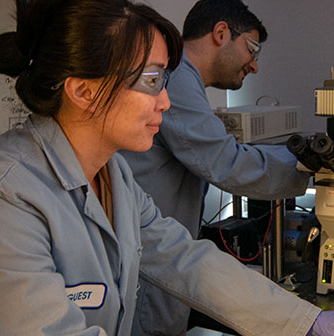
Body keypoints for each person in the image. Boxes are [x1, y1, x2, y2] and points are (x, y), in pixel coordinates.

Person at [0, 0, 334, 335]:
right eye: (153, 80)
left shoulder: (112, 176)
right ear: (84, 91)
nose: (166, 101)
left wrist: (306, 322)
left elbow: (186, 261)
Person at [119, 1, 311, 334]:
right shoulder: (177, 78)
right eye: (252, 49)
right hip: (151, 269)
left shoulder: (184, 81)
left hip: (161, 256)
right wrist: (309, 166)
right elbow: (226, 163)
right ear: (221, 33)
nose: (255, 66)